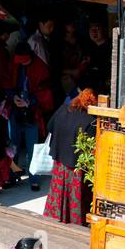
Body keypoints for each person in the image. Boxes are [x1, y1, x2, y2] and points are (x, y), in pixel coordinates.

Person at [43, 88, 97, 224]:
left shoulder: (63, 109)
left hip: (60, 159)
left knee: (58, 190)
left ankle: (54, 217)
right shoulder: (90, 120)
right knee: (75, 195)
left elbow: (49, 126)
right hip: (76, 165)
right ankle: (74, 221)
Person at [8, 41, 53, 191]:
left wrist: (30, 102)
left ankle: (34, 178)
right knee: (13, 145)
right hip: (15, 110)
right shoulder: (15, 65)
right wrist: (13, 96)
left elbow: (46, 93)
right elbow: (7, 84)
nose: (21, 64)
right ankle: (13, 175)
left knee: (32, 147)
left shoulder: (41, 68)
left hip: (33, 114)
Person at [82, 19, 112, 95]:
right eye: (91, 29)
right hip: (86, 89)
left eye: (97, 28)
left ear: (104, 29)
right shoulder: (87, 47)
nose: (94, 32)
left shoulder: (111, 47)